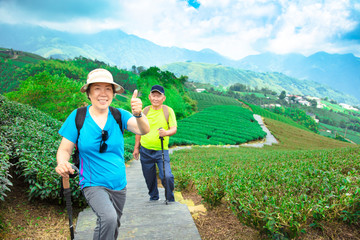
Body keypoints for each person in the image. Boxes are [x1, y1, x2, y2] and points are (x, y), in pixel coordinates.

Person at [55, 68, 150, 240]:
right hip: (93, 183)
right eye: (97, 88)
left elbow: (143, 129)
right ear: (89, 93)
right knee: (109, 218)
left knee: (113, 225)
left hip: (119, 183)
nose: (103, 93)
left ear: (113, 93)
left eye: (108, 89)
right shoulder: (78, 117)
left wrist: (138, 114)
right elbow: (64, 149)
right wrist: (62, 162)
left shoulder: (119, 115)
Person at [133, 85, 177, 202]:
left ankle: (170, 198)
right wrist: (136, 148)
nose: (156, 98)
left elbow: (174, 128)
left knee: (166, 176)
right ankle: (153, 197)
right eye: (153, 95)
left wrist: (166, 132)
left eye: (159, 96)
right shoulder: (144, 111)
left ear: (164, 98)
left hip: (161, 151)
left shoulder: (168, 111)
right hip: (145, 150)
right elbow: (139, 130)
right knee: (149, 177)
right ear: (149, 97)